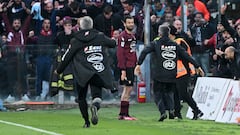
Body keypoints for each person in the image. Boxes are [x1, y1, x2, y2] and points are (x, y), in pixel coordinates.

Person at [55, 16, 117, 128]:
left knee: (81, 97)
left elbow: (67, 57)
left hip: (82, 73)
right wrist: (113, 39)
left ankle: (86, 122)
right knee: (97, 95)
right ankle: (95, 105)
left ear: (79, 27)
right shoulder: (100, 36)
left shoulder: (75, 40)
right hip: (97, 71)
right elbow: (113, 44)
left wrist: (59, 70)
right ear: (92, 25)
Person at [134, 25, 204, 122]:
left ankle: (164, 112)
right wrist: (197, 65)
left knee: (159, 93)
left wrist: (138, 64)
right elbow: (187, 55)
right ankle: (173, 111)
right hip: (173, 74)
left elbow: (145, 51)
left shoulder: (157, 43)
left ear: (160, 33)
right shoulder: (175, 44)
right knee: (171, 93)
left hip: (167, 73)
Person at [169, 25, 204, 120]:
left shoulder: (180, 42)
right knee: (176, 92)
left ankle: (197, 110)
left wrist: (196, 65)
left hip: (184, 70)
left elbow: (185, 56)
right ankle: (177, 113)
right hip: (175, 71)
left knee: (183, 93)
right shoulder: (172, 42)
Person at [117, 15, 137, 120]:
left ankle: (124, 113)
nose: (131, 24)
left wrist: (136, 65)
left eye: (132, 22)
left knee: (128, 89)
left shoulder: (132, 36)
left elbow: (133, 52)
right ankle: (123, 114)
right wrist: (123, 70)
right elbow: (120, 54)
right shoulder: (122, 37)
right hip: (126, 66)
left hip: (131, 65)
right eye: (128, 22)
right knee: (127, 89)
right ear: (124, 24)